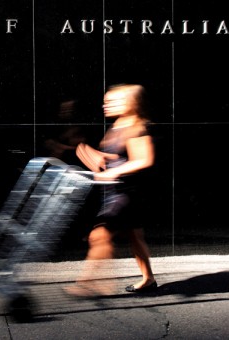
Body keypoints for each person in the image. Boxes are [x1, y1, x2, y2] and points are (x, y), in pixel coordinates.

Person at [63, 83, 157, 297]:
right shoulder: (118, 125)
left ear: (130, 103)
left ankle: (88, 283)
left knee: (99, 236)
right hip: (115, 192)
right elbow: (119, 156)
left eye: (112, 101)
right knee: (135, 236)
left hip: (126, 195)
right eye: (106, 101)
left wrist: (113, 172)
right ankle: (148, 279)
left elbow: (143, 159)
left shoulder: (136, 128)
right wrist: (95, 154)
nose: (106, 105)